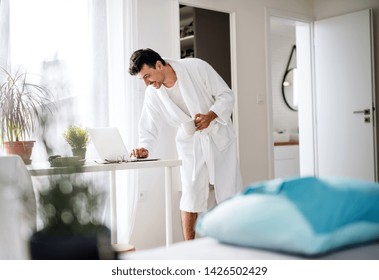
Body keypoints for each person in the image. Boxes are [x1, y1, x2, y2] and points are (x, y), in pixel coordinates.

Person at [128, 48, 242, 240]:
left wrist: (211, 116)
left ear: (158, 64)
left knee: (229, 191)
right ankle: (189, 249)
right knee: (190, 195)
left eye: (147, 76)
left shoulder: (196, 67)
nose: (147, 83)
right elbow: (149, 126)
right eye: (143, 80)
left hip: (217, 135)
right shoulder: (153, 94)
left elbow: (226, 95)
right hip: (189, 141)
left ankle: (234, 243)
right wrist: (144, 147)